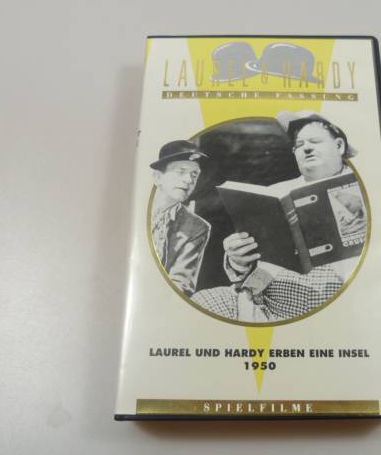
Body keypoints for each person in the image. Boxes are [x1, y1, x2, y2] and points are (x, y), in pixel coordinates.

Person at [192, 111, 364, 322]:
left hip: (331, 306)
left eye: (315, 141)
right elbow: (253, 261)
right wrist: (238, 259)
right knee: (200, 303)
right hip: (259, 301)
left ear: (339, 146)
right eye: (299, 145)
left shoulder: (367, 192)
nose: (306, 148)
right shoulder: (276, 193)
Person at [150, 140, 210, 295]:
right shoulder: (134, 208)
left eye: (194, 174)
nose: (189, 180)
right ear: (157, 177)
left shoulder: (197, 227)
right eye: (181, 171)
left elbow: (181, 285)